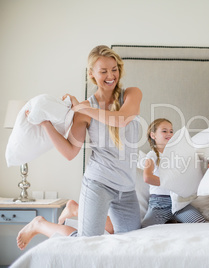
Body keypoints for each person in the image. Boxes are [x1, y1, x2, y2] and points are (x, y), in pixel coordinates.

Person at [20, 45, 143, 242]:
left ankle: (75, 209)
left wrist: (82, 108)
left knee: (132, 240)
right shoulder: (84, 110)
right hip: (98, 183)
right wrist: (45, 124)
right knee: (86, 241)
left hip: (126, 188)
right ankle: (40, 224)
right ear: (92, 74)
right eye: (103, 71)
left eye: (114, 69)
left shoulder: (131, 94)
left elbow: (121, 119)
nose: (111, 75)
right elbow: (70, 152)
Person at [141, 118, 205, 227]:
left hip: (179, 203)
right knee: (146, 228)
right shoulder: (152, 155)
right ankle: (170, 221)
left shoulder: (177, 156)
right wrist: (169, 183)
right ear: (153, 135)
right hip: (159, 203)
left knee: (199, 222)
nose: (169, 134)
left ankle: (174, 221)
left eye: (171, 131)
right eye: (164, 131)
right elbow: (147, 177)